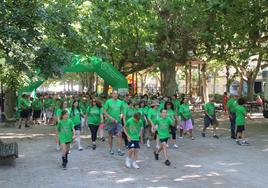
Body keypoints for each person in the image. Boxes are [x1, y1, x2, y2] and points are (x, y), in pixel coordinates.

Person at [103, 90, 125, 156]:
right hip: (110, 122)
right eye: (114, 94)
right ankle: (110, 149)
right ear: (112, 94)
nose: (115, 95)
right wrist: (110, 117)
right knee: (110, 135)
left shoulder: (120, 102)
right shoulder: (108, 101)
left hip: (118, 121)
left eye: (116, 94)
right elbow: (104, 111)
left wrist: (121, 114)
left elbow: (122, 111)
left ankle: (119, 150)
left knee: (120, 134)